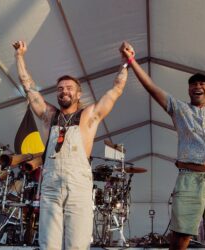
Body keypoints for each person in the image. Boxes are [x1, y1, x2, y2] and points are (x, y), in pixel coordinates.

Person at [120, 19, 205, 250]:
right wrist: (132, 61)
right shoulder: (179, 108)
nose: (197, 86)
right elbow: (151, 87)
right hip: (189, 180)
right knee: (181, 237)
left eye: (202, 84)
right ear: (189, 90)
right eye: (192, 85)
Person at [13, 40, 128, 250]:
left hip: (79, 184)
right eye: (60, 89)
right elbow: (27, 85)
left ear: (78, 94)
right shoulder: (49, 115)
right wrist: (19, 56)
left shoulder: (89, 115)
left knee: (77, 244)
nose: (64, 91)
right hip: (50, 184)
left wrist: (125, 62)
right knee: (48, 244)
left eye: (69, 88)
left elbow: (116, 89)